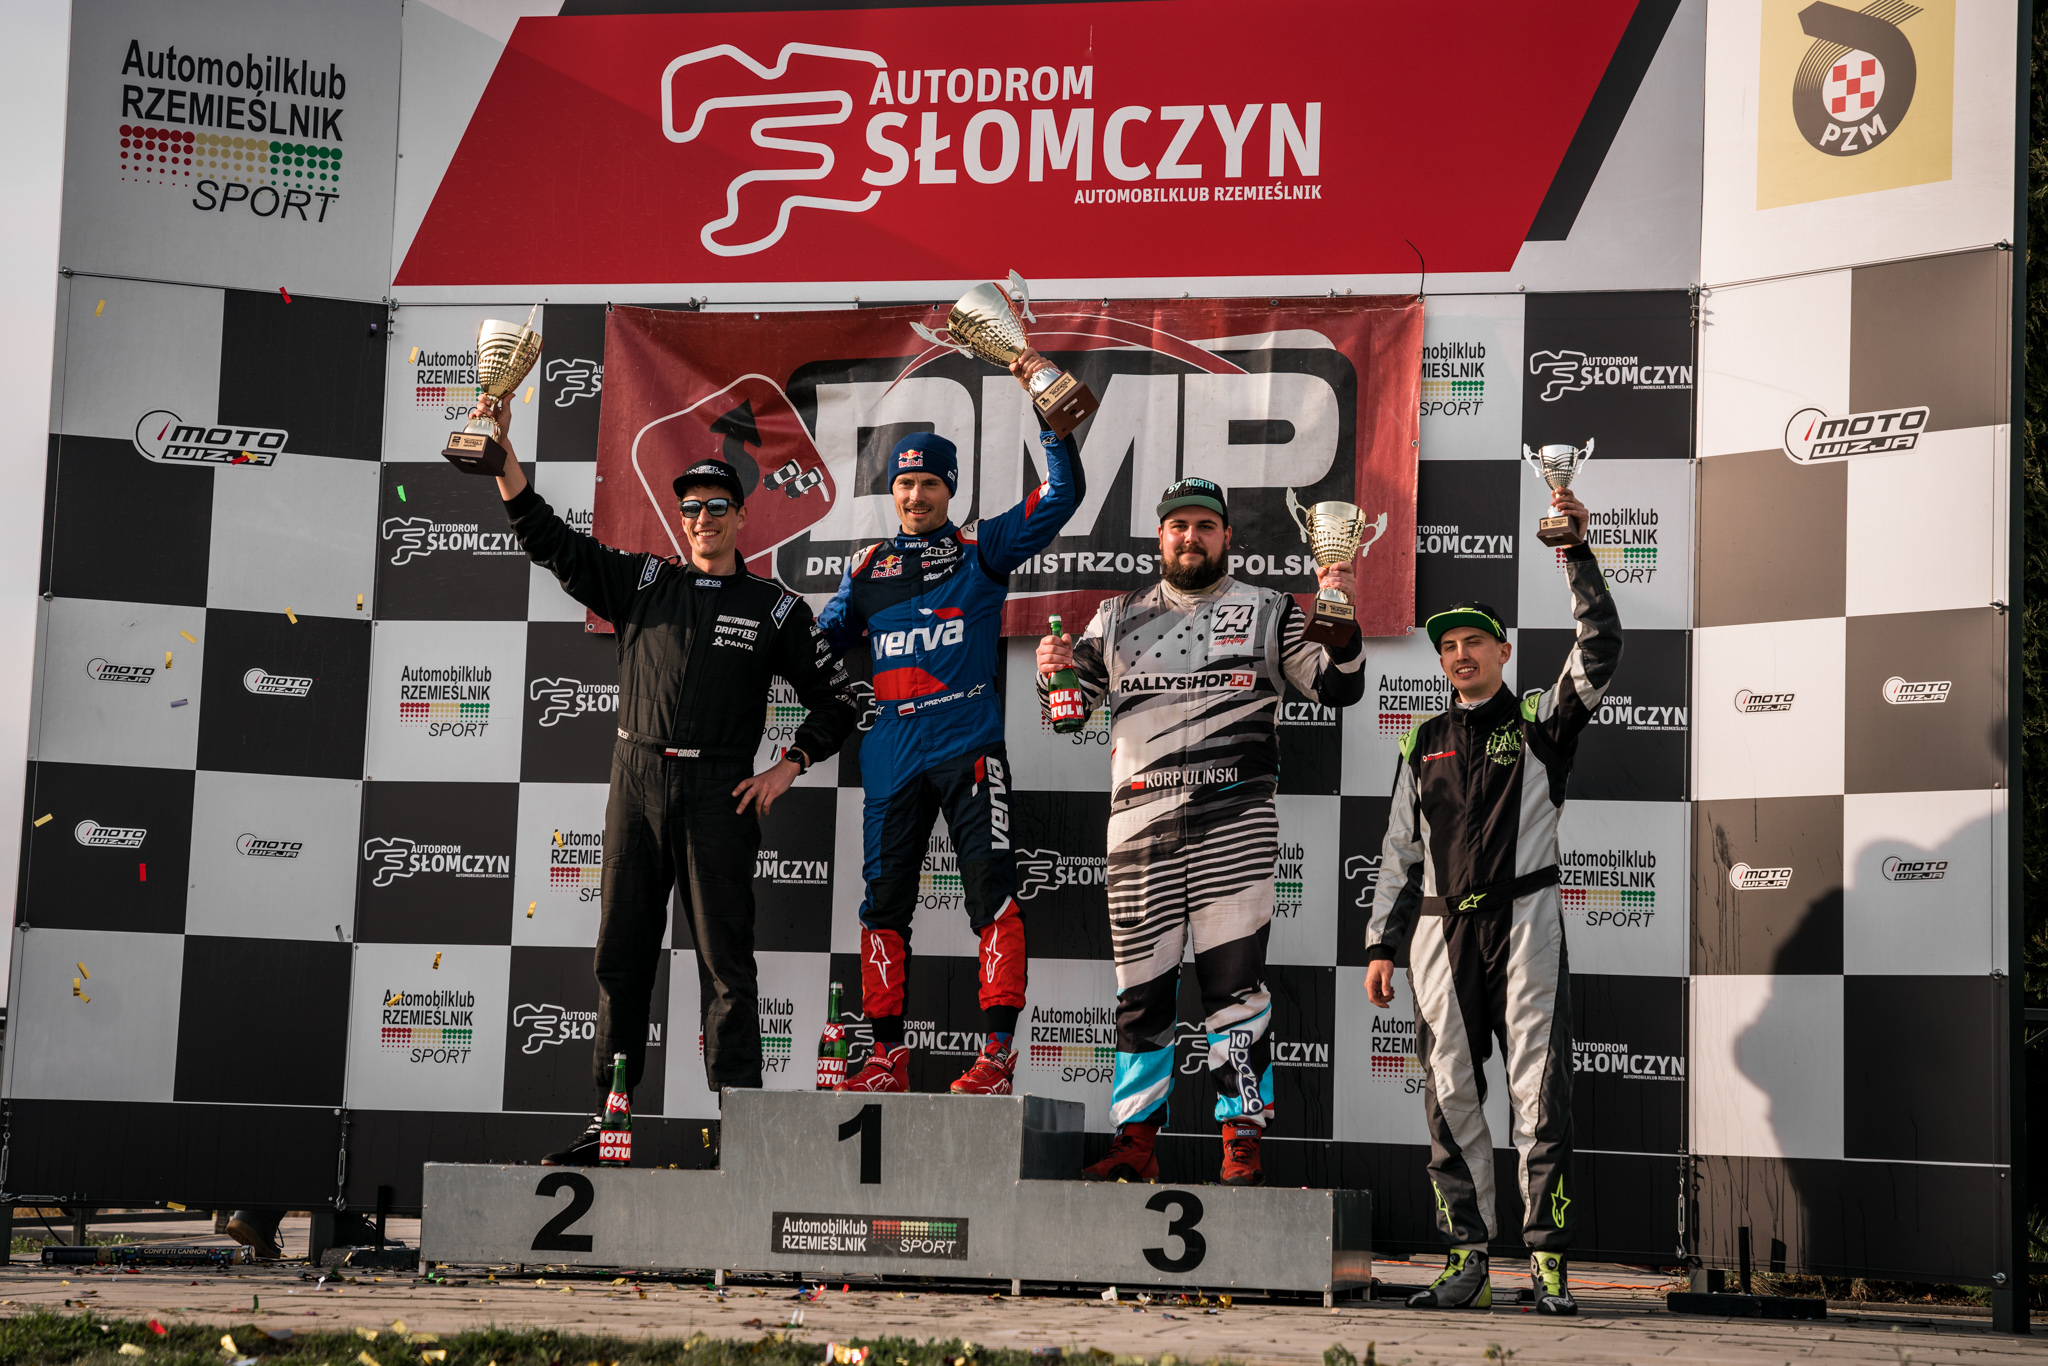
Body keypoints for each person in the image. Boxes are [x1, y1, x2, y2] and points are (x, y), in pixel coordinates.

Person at [482, 401, 863, 1166]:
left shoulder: (776, 609)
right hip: (637, 781)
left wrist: (789, 765)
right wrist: (503, 464)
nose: (703, 519)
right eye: (691, 508)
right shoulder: (644, 581)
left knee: (727, 967)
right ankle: (610, 1124)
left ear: (742, 517)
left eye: (718, 507)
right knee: (621, 961)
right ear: (680, 518)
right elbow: (550, 542)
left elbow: (843, 700)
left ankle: (743, 1135)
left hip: (721, 793)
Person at [1034, 477, 1368, 1186]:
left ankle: (1241, 1138)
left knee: (1235, 989)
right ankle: (1135, 1141)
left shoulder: (1272, 610)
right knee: (1141, 994)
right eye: (1179, 526)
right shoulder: (1114, 617)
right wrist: (1050, 673)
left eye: (1205, 526)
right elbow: (1068, 713)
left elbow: (1338, 686)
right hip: (1139, 833)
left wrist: (1338, 607)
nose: (1191, 537)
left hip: (1234, 825)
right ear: (1161, 536)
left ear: (1226, 537)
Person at [1362, 486, 1620, 1315]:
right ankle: (1465, 1256)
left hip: (1527, 920)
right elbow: (1399, 850)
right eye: (1448, 646)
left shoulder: (1543, 720)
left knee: (1540, 1094)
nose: (1460, 654)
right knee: (1450, 1094)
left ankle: (1546, 1261)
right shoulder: (1422, 739)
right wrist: (1380, 945)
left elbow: (1601, 646)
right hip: (1441, 933)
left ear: (1504, 651)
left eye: (1475, 641)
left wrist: (1574, 553)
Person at [818, 349, 1083, 1096]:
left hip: (968, 746)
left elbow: (1063, 493)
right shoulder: (866, 570)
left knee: (991, 896)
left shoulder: (982, 548)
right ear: (892, 490)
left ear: (950, 488)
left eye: (929, 483)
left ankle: (996, 1059)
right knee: (882, 907)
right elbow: (816, 644)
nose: (915, 495)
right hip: (891, 753)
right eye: (904, 483)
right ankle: (885, 1057)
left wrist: (1050, 418)